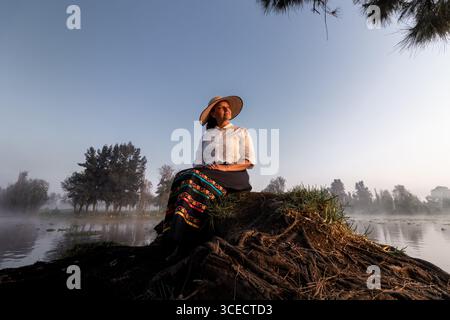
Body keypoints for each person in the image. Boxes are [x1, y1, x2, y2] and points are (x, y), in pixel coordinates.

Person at [159, 95, 256, 261]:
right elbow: (199, 163)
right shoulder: (208, 135)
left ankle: (180, 241)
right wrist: (207, 168)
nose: (227, 109)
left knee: (194, 177)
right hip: (212, 173)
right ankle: (173, 234)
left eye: (228, 107)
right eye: (221, 107)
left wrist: (223, 167)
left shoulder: (242, 132)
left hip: (235, 175)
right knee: (181, 176)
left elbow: (249, 162)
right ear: (213, 114)